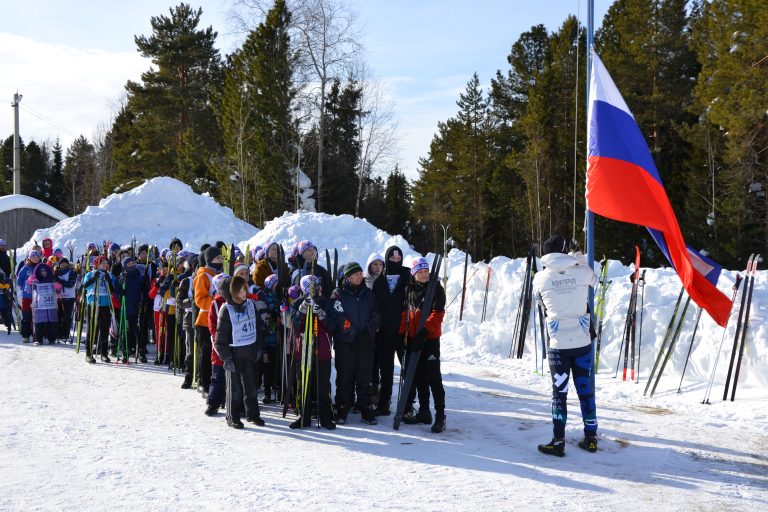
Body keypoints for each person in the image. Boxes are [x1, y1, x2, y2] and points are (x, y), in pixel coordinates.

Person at [533, 235, 598, 456]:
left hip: (558, 345)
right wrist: (578, 257)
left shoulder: (540, 278)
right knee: (585, 391)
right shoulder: (581, 272)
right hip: (582, 342)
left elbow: (539, 300)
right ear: (565, 251)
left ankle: (558, 440)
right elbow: (592, 277)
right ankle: (591, 437)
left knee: (559, 393)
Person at [400, 257, 447, 433]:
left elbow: (438, 314)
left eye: (426, 271)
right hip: (413, 338)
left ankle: (440, 415)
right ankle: (424, 411)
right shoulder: (409, 289)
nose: (424, 274)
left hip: (430, 339)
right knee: (418, 376)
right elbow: (405, 314)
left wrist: (424, 332)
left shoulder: (436, 289)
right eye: (420, 272)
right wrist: (402, 335)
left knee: (434, 377)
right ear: (414, 274)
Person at [331, 261, 380, 425]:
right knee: (345, 377)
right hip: (346, 342)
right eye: (356, 274)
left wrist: (367, 331)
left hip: (366, 342)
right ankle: (342, 409)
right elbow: (339, 316)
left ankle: (366, 410)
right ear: (348, 277)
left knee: (364, 378)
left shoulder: (369, 294)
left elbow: (375, 315)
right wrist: (352, 333)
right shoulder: (338, 294)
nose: (360, 276)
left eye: (360, 273)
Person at [215, 275, 266, 429]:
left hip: (249, 352)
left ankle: (253, 414)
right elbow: (220, 339)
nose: (244, 293)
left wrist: (259, 348)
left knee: (251, 387)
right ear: (231, 293)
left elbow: (258, 327)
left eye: (244, 289)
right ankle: (233, 417)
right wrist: (227, 359)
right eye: (239, 291)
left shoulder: (250, 304)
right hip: (234, 355)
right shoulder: (226, 310)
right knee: (235, 389)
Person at [289, 275, 336, 430]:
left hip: (322, 349)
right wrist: (302, 310)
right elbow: (294, 326)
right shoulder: (297, 303)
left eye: (318, 286)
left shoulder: (326, 303)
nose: (318, 289)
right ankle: (304, 415)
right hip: (304, 349)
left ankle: (325, 417)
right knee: (303, 385)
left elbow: (332, 326)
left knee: (323, 385)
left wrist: (321, 313)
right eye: (314, 286)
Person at [371, 246, 410, 416]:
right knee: (386, 370)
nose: (396, 261)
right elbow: (374, 306)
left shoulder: (408, 277)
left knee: (407, 368)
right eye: (392, 259)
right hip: (384, 333)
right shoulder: (379, 281)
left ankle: (408, 404)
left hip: (404, 332)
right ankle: (384, 402)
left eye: (398, 258)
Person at [54, 258, 77, 342]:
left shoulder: (71, 272)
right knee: (58, 316)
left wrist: (59, 280)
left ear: (67, 264)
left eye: (65, 263)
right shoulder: (57, 273)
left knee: (66, 316)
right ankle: (58, 333)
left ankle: (65, 333)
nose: (63, 265)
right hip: (59, 297)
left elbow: (70, 284)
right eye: (61, 263)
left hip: (69, 297)